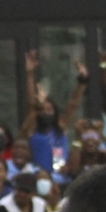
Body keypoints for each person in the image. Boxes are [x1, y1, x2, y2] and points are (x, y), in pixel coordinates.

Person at [23, 49, 87, 179]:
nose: (47, 112)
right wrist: (30, 74)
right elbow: (32, 104)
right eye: (44, 110)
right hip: (42, 178)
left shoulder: (60, 127)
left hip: (63, 177)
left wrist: (82, 82)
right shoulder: (34, 129)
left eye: (50, 109)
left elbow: (73, 105)